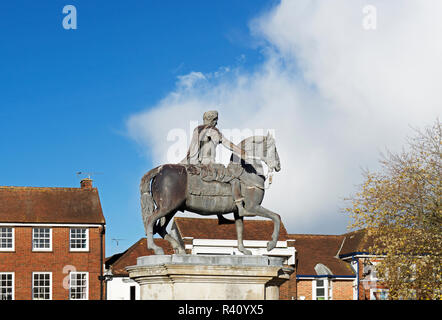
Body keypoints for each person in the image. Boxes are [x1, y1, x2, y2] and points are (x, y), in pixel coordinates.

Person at [180, 110, 249, 218]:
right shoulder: (212, 131)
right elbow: (228, 144)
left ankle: (220, 217)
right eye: (216, 120)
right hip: (208, 165)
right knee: (234, 179)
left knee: (219, 184)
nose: (216, 123)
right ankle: (241, 209)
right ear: (213, 120)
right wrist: (242, 152)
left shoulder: (197, 130)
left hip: (195, 163)